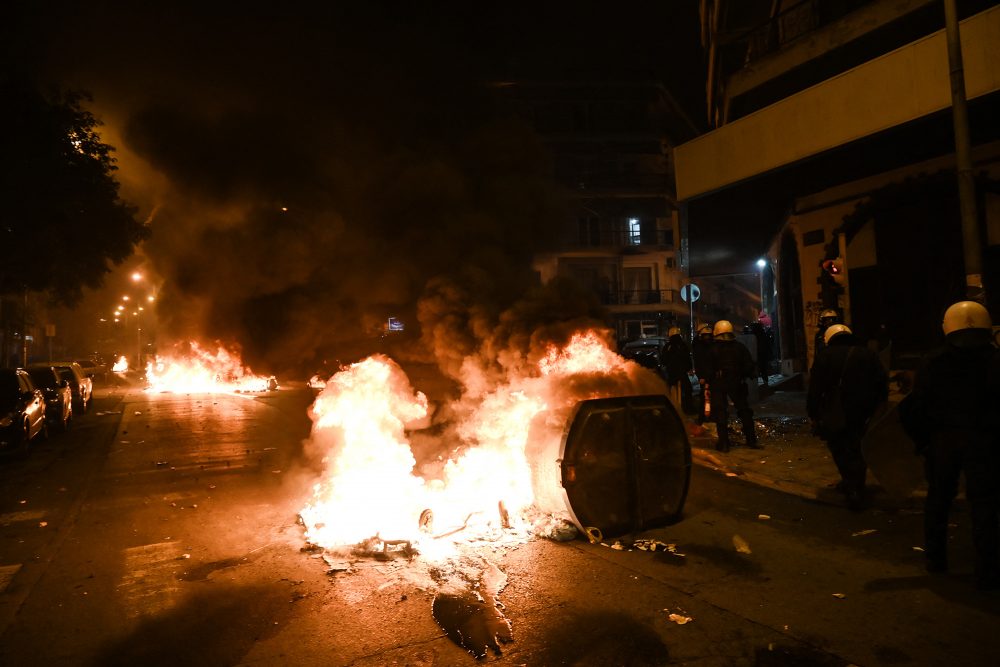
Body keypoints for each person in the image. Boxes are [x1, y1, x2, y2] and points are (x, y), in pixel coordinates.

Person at [900, 301, 1000, 589]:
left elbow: (916, 407)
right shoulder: (994, 360)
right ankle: (987, 569)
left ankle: (936, 558)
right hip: (985, 441)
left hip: (944, 440)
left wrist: (924, 441)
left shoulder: (934, 361)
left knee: (939, 500)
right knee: (984, 504)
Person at [807, 324, 888, 511]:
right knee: (858, 447)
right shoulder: (867, 354)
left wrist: (813, 413)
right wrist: (878, 407)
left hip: (836, 411)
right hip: (863, 411)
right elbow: (881, 381)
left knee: (839, 448)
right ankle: (856, 483)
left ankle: (852, 487)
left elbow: (815, 389)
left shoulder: (824, 356)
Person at [707, 320, 759, 452]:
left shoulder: (713, 348)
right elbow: (749, 365)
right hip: (737, 382)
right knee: (744, 410)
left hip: (719, 383)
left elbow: (707, 369)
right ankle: (751, 440)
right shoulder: (739, 347)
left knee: (720, 412)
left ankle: (724, 444)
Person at [660, 326, 694, 414]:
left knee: (669, 391)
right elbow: (687, 358)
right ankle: (688, 409)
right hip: (682, 373)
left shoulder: (668, 346)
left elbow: (663, 360)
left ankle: (671, 410)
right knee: (688, 390)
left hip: (672, 373)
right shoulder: (682, 345)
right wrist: (689, 368)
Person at [691, 323, 714, 422]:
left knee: (709, 396)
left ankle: (706, 416)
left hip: (709, 374)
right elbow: (699, 361)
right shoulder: (699, 345)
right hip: (707, 374)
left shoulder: (700, 344)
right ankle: (704, 417)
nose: (707, 337)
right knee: (706, 396)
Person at [749, 316, 774, 387]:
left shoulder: (753, 334)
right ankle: (765, 382)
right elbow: (767, 344)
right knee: (763, 369)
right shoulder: (762, 333)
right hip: (762, 354)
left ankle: (756, 383)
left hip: (757, 354)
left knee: (757, 369)